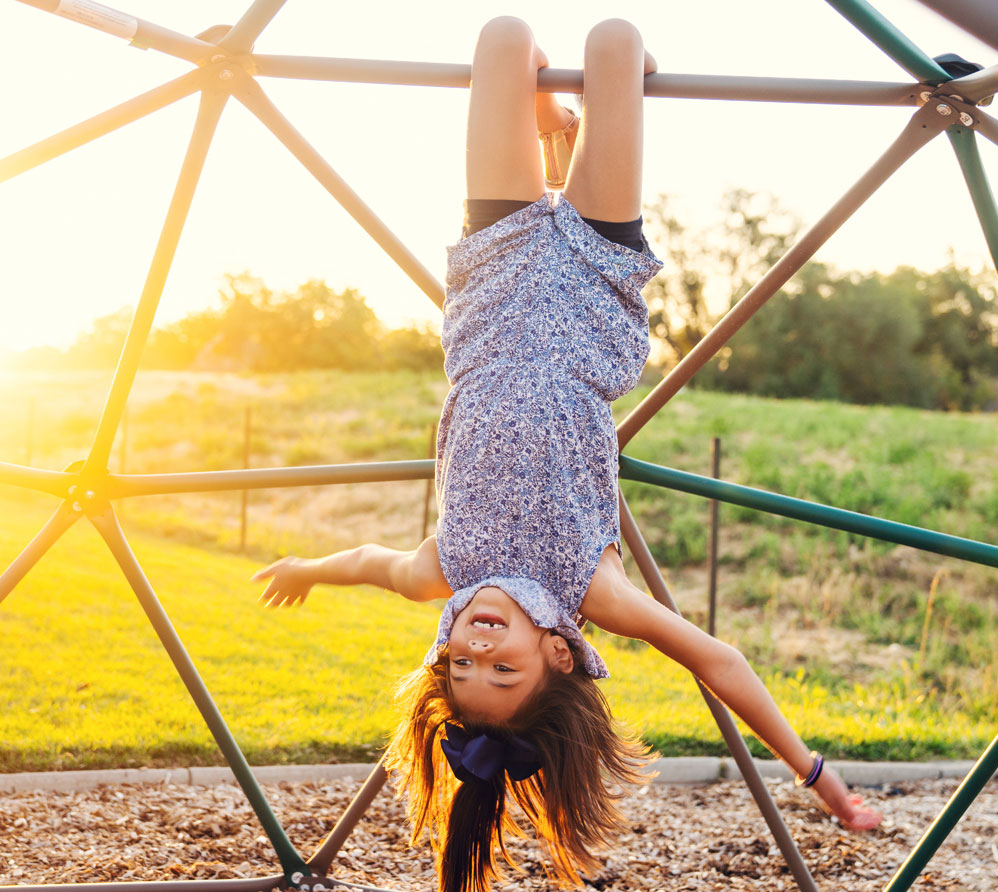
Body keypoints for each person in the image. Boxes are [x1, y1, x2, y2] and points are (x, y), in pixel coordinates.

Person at [252, 17, 882, 892]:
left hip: (497, 262)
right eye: (499, 668)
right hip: (592, 280)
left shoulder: (448, 567)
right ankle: (574, 132)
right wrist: (819, 777)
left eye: (461, 666)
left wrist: (310, 567)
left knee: (502, 36)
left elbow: (370, 561)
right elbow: (717, 660)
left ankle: (556, 132)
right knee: (618, 43)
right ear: (557, 656)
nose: (475, 646)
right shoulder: (592, 587)